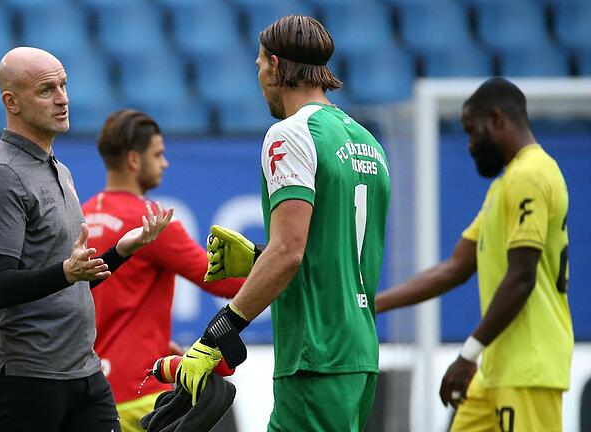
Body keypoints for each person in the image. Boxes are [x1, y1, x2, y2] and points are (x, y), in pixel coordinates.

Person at [177, 15, 391, 431]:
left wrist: (219, 330)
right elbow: (331, 252)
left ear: (275, 66)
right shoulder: (368, 142)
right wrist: (258, 256)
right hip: (358, 353)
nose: (257, 74)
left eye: (258, 63)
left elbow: (290, 252)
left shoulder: (290, 134)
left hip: (314, 352)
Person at [0, 47, 173, 432]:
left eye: (63, 85)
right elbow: (1, 285)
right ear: (11, 102)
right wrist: (66, 271)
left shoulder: (59, 169)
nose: (63, 98)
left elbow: (73, 282)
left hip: (84, 371)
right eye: (46, 90)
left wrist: (122, 250)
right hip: (25, 378)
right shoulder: (1, 175)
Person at [375, 77, 572, 431]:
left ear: (497, 119)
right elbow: (455, 267)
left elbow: (522, 276)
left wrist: (467, 355)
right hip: (498, 367)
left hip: (529, 367)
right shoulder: (504, 186)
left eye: (472, 131)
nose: (469, 145)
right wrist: (374, 305)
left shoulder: (532, 173)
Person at [82, 109, 244, 432]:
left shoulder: (82, 216)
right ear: (133, 160)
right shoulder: (150, 223)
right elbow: (222, 282)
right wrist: (276, 265)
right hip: (140, 392)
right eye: (158, 154)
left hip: (91, 395)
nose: (165, 163)